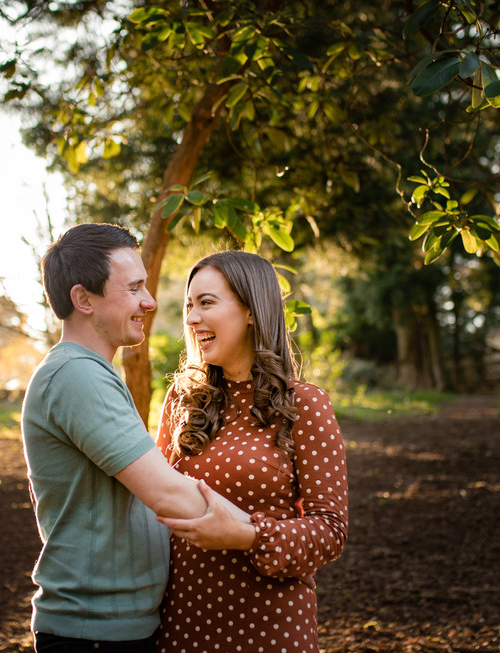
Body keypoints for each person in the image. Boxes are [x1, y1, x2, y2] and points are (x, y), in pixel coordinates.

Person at [21, 223, 249, 653]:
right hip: (92, 635)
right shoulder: (76, 375)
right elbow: (166, 492)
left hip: (113, 629)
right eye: (133, 288)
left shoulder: (88, 372)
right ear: (83, 299)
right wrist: (268, 536)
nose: (150, 301)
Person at [154, 250, 349, 653]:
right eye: (189, 306)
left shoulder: (304, 404)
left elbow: (330, 532)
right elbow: (153, 502)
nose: (191, 319)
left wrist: (248, 536)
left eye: (206, 303)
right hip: (183, 622)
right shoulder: (182, 400)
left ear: (250, 311)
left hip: (270, 626)